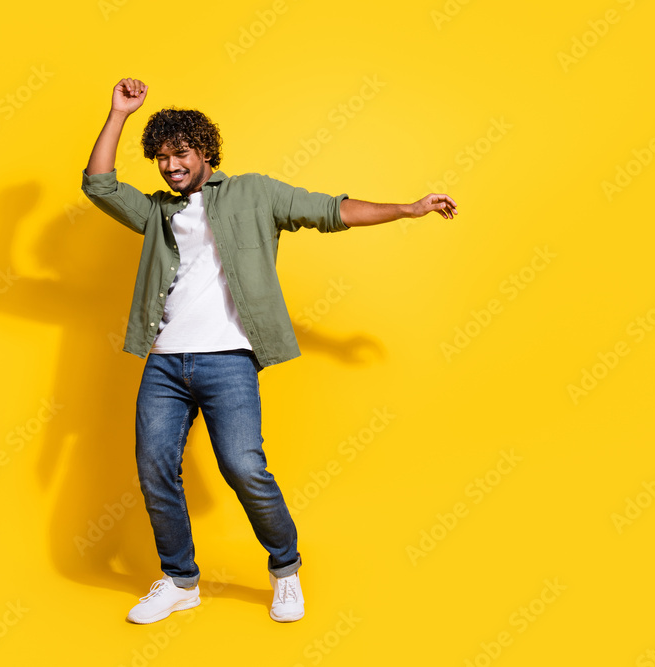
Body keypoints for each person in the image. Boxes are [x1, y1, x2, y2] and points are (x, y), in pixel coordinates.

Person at [81, 77, 458, 625]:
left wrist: (408, 208)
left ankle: (285, 570)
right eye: (161, 157)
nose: (170, 165)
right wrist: (117, 113)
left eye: (180, 153)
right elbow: (99, 184)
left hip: (229, 359)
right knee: (155, 468)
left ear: (204, 152)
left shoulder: (254, 192)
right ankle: (180, 580)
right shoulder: (157, 213)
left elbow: (332, 209)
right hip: (164, 361)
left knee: (242, 467)